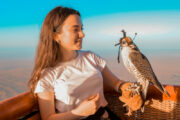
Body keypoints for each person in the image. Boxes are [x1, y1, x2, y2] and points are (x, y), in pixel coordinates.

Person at [28, 6, 125, 120]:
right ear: (55, 36)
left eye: (81, 28)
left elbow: (116, 83)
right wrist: (78, 113)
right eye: (75, 29)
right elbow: (48, 118)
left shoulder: (91, 58)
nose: (82, 34)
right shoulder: (48, 75)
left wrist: (126, 88)